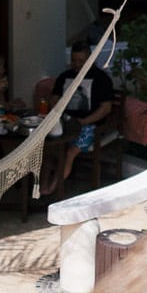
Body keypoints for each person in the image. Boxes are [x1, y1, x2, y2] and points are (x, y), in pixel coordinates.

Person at [43, 39, 113, 193]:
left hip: (90, 125)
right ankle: (42, 186)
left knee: (70, 152)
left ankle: (53, 188)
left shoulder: (101, 79)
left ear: (90, 59)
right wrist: (57, 110)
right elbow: (54, 98)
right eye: (74, 61)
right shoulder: (65, 76)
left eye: (81, 61)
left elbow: (106, 108)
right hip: (66, 122)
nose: (77, 65)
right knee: (48, 148)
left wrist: (84, 121)